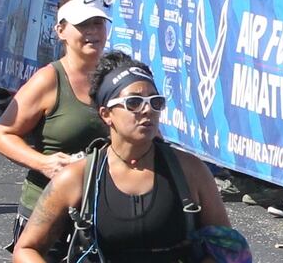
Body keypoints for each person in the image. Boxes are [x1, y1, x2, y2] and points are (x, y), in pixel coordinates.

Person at [13, 52, 235, 262]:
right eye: (134, 103)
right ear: (106, 114)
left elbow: (229, 247)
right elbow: (26, 249)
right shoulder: (76, 177)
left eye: (155, 102)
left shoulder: (190, 170)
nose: (147, 110)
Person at [0, 0, 112, 242]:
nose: (92, 31)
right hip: (49, 211)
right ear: (60, 31)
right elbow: (2, 135)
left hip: (106, 210)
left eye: (98, 23)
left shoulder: (118, 78)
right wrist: (43, 163)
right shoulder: (48, 80)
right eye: (82, 24)